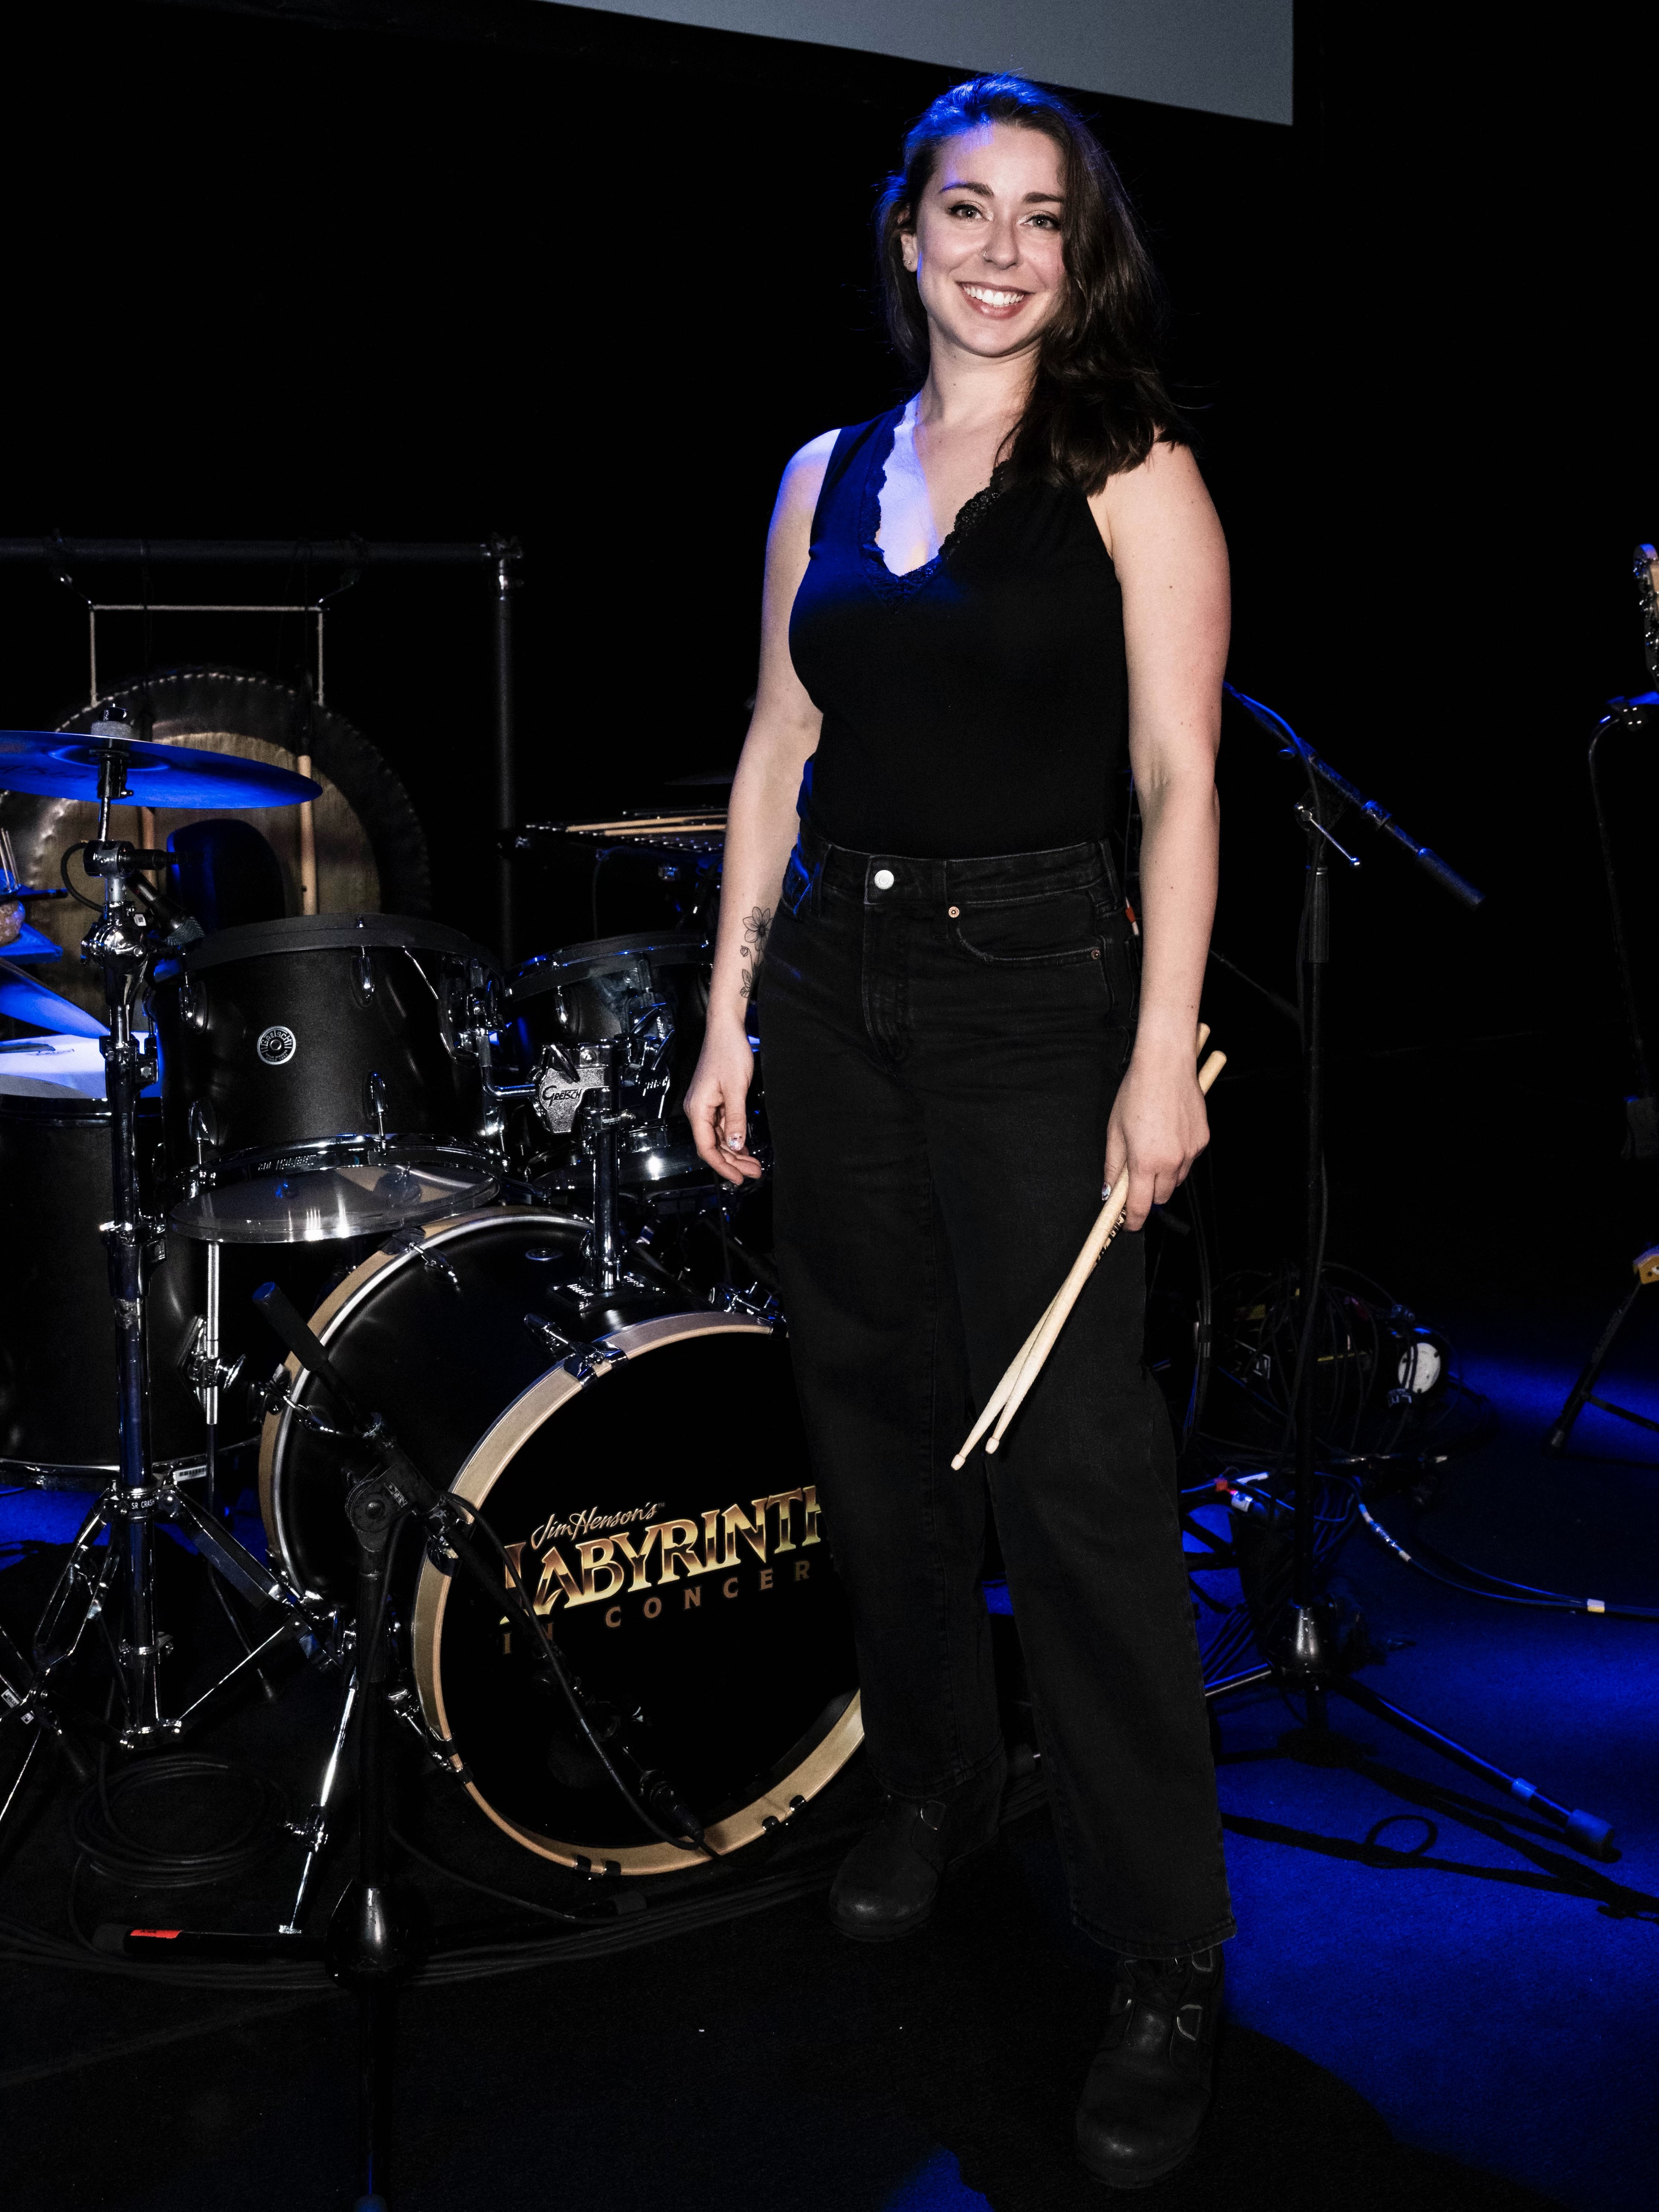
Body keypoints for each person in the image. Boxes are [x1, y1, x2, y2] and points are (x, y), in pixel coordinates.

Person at [685, 74, 1233, 2188]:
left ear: (1073, 256)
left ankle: (1164, 1951)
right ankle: (933, 1776)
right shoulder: (820, 473)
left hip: (1033, 1002)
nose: (1001, 248)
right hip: (833, 988)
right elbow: (778, 737)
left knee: (1075, 1474)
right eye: (964, 210)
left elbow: (1179, 780)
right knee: (876, 1427)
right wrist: (732, 1008)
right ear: (904, 235)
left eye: (1041, 218)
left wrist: (1159, 1047)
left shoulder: (1131, 466)